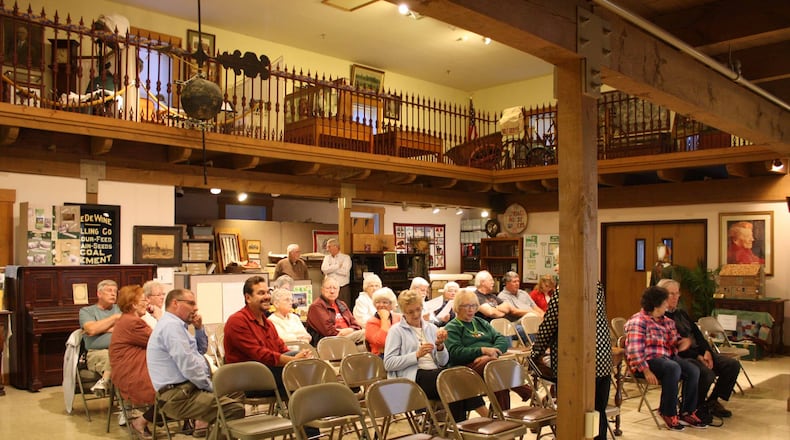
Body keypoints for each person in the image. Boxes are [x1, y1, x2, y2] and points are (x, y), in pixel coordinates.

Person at [147, 289, 244, 439]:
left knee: (236, 391)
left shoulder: (178, 326)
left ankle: (209, 425)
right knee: (232, 410)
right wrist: (211, 387)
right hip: (178, 395)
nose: (196, 308)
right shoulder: (171, 327)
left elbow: (200, 351)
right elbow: (189, 367)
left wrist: (199, 329)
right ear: (175, 303)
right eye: (191, 303)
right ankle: (211, 424)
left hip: (188, 388)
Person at [383, 289, 488, 421]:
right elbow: (388, 363)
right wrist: (416, 355)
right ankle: (483, 419)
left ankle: (460, 425)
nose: (416, 314)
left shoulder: (431, 328)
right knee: (452, 380)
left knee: (458, 378)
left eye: (418, 309)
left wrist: (440, 347)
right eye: (410, 312)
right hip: (412, 378)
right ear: (403, 312)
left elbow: (443, 362)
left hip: (434, 373)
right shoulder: (396, 331)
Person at [529, 282, 612, 440]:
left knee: (574, 411)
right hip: (602, 357)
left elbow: (549, 325)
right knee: (598, 410)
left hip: (576, 362)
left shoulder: (566, 289)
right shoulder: (596, 286)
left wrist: (535, 352)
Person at [624, 286, 706, 430]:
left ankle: (687, 412)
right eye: (664, 303)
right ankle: (668, 412)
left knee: (693, 370)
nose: (667, 305)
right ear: (656, 305)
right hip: (647, 360)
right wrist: (646, 371)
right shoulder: (638, 321)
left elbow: (674, 341)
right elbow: (634, 350)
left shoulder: (667, 321)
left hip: (667, 357)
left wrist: (682, 342)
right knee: (672, 367)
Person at [660, 278, 738, 422]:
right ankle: (695, 407)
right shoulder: (661, 317)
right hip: (683, 356)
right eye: (672, 294)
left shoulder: (681, 313)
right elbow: (676, 346)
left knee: (731, 365)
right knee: (706, 373)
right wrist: (698, 356)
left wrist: (707, 351)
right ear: (662, 295)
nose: (676, 297)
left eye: (677, 293)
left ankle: (712, 401)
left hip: (699, 353)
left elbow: (698, 335)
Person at [224, 276, 313, 398]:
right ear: (248, 298)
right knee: (300, 374)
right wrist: (292, 361)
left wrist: (299, 357)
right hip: (246, 380)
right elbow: (259, 355)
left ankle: (301, 405)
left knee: (304, 365)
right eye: (261, 293)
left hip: (268, 372)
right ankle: (305, 404)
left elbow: (281, 348)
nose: (267, 297)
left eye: (267, 292)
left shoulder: (267, 323)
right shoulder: (237, 321)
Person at [444, 289, 531, 410]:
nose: (471, 309)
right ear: (458, 307)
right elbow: (455, 353)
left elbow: (501, 339)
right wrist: (482, 351)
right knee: (494, 366)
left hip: (489, 364)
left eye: (474, 306)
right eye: (466, 306)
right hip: (464, 369)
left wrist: (493, 352)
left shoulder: (480, 322)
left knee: (498, 379)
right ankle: (526, 391)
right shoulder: (452, 327)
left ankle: (502, 416)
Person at [109, 285, 155, 439]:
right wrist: (159, 316)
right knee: (172, 390)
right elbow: (160, 341)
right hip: (132, 373)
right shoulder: (133, 323)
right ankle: (141, 421)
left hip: (135, 368)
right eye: (144, 300)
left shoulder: (128, 320)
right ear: (134, 304)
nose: (147, 302)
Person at [79, 279, 121, 397]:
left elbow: (127, 329)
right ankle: (125, 405)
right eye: (109, 291)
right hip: (96, 352)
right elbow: (91, 329)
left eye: (115, 291)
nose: (113, 294)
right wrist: (114, 319)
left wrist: (100, 328)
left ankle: (104, 381)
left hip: (121, 349)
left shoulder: (120, 308)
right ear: (99, 294)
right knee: (115, 358)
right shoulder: (86, 311)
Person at [306, 277, 365, 347]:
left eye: (335, 288)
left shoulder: (342, 304)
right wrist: (345, 332)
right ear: (322, 290)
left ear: (339, 290)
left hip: (349, 337)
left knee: (366, 346)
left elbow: (356, 325)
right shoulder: (316, 306)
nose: (332, 291)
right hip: (331, 342)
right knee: (366, 333)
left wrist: (350, 330)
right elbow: (329, 331)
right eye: (328, 288)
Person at [364, 287, 400, 356]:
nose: (381, 305)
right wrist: (384, 319)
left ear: (391, 304)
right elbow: (383, 342)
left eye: (385, 302)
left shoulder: (399, 318)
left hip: (399, 353)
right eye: (377, 302)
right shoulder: (371, 322)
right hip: (380, 356)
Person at [321, 238, 352, 305]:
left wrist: (330, 269)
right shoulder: (327, 258)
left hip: (342, 288)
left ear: (335, 246)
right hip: (329, 289)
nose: (327, 249)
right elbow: (324, 269)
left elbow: (344, 271)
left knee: (343, 308)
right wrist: (337, 266)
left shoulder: (346, 258)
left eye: (329, 247)